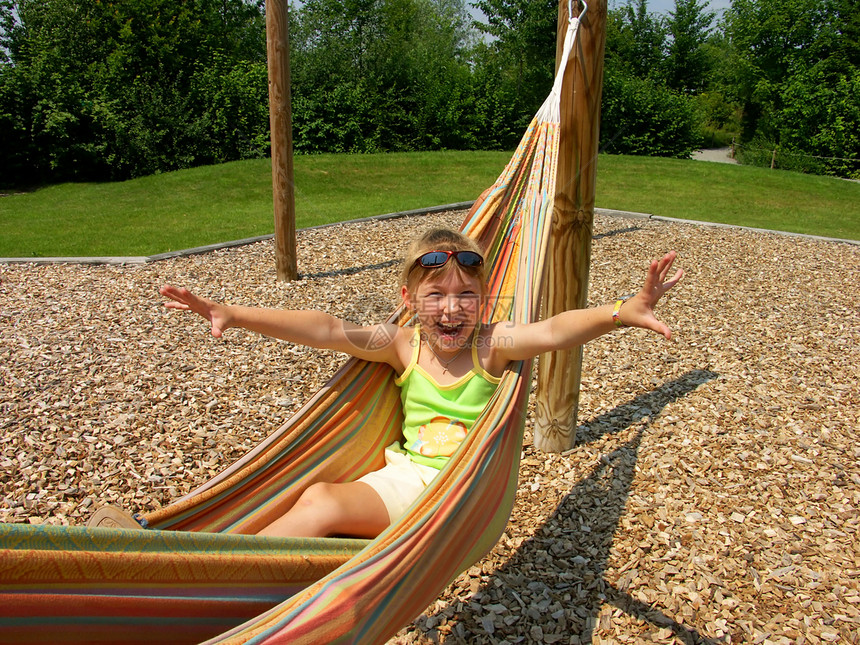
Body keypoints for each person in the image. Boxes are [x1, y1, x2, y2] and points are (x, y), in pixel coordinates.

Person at [90, 228, 683, 537]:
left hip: (450, 494)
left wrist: (621, 311)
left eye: (466, 296)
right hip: (402, 479)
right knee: (303, 490)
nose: (452, 311)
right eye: (436, 296)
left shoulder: (492, 344)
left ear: (483, 299)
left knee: (319, 501)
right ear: (409, 299)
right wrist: (235, 314)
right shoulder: (403, 344)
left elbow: (554, 330)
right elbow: (327, 328)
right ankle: (200, 551)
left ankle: (220, 567)